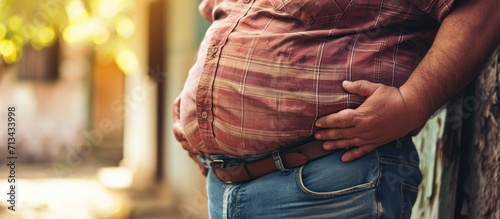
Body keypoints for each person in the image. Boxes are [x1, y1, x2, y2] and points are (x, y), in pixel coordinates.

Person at [173, 0, 500, 218]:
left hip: (329, 185)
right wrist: (194, 103)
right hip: (224, 189)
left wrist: (412, 104)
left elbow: (483, 7)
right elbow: (228, 22)